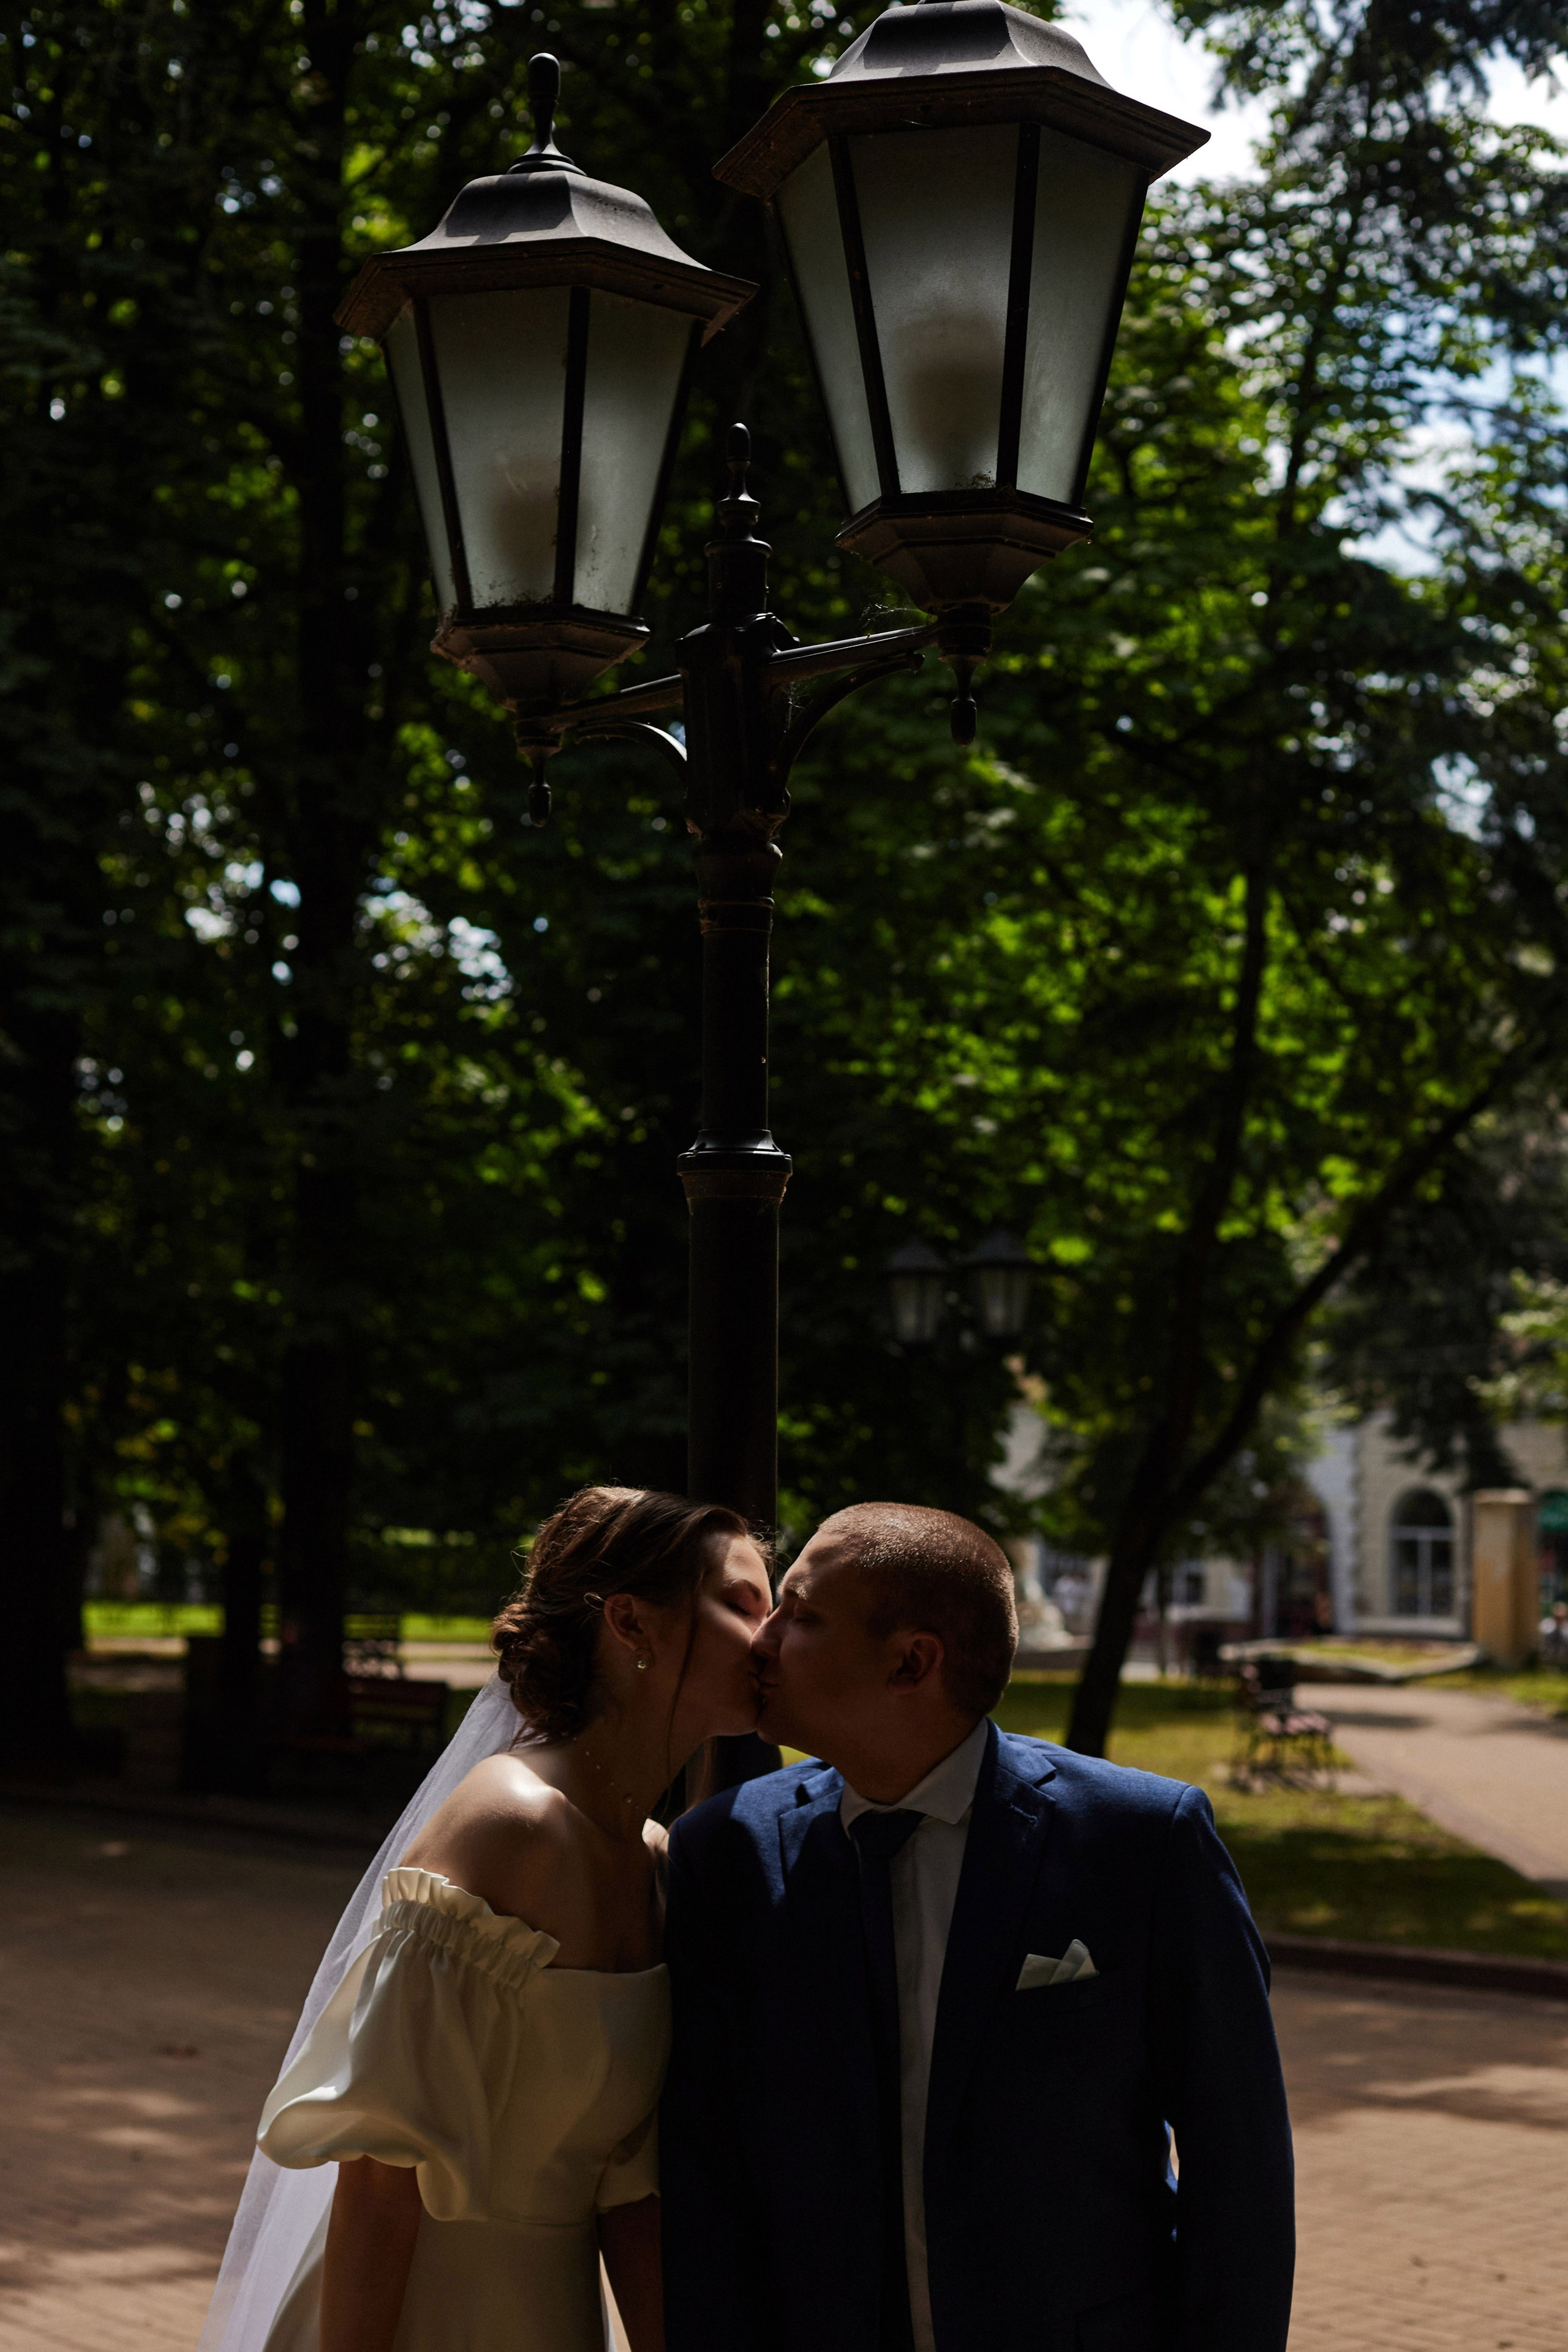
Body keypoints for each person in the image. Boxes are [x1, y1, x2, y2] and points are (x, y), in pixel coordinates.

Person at [661, 1501, 1295, 2352]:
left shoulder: (1141, 1842)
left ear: (912, 1662)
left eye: (801, 1616)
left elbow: (1239, 2165)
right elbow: (705, 2174)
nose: (760, 1640)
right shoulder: (726, 1852)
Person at [204, 1486, 771, 2352]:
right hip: (412, 2313)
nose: (771, 1635)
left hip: (551, 2315)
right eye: (742, 1604)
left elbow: (628, 2193)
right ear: (632, 1624)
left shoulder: (658, 1864)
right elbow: (379, 2183)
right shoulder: (512, 1827)